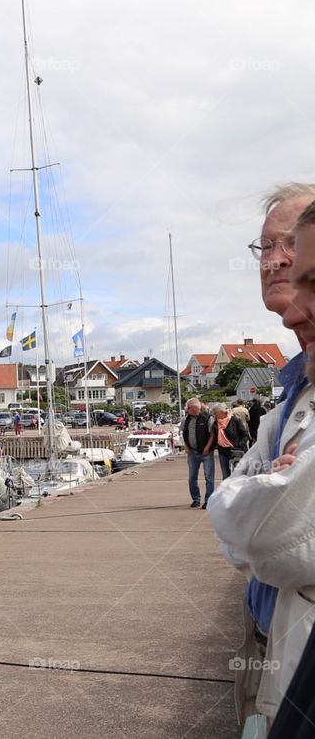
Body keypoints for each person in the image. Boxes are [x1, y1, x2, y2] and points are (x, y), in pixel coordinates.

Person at [208, 195, 315, 723]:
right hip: (268, 633)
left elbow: (263, 535)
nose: (273, 259)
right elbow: (238, 508)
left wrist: (242, 506)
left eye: (290, 244)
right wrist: (250, 499)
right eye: (265, 246)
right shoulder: (288, 385)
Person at [181, 397, 215, 508]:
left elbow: (212, 434)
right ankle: (196, 499)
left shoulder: (207, 418)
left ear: (195, 408)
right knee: (192, 477)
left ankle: (208, 500)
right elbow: (184, 433)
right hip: (193, 452)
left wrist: (207, 447)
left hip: (206, 453)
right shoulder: (187, 419)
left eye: (189, 408)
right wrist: (186, 446)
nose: (187, 410)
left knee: (209, 477)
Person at [211, 403, 249, 479]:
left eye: (216, 412)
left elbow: (245, 435)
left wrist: (239, 445)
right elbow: (214, 437)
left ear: (222, 412)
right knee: (225, 475)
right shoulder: (215, 423)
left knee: (237, 473)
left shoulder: (235, 421)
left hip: (235, 450)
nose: (214, 414)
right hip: (222, 451)